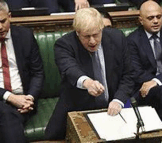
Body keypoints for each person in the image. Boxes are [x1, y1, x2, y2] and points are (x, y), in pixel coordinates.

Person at [45, 7, 134, 140]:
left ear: (101, 28)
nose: (92, 41)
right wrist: (87, 83)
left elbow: (129, 75)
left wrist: (118, 100)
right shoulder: (64, 44)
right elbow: (70, 69)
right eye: (86, 36)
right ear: (77, 33)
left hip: (112, 105)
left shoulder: (117, 38)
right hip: (78, 107)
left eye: (96, 35)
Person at [0, 1, 44, 143]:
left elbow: (38, 73)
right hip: (2, 98)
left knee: (7, 115)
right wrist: (10, 97)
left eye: (3, 21)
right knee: (5, 112)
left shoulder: (25, 36)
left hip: (24, 100)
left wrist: (29, 98)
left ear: (10, 16)